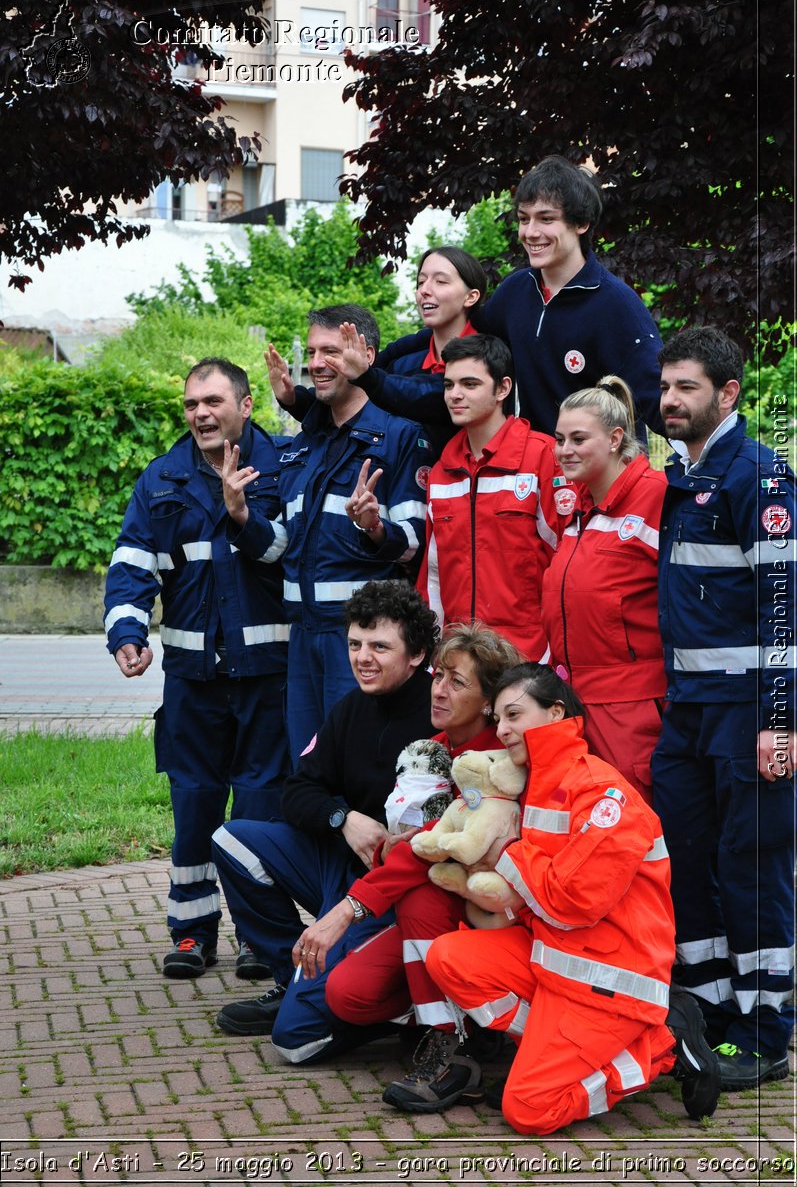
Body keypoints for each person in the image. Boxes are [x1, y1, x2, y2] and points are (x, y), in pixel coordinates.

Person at [424, 664, 721, 1132]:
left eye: (514, 715)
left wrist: (504, 853)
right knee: (448, 957)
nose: (501, 730)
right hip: (558, 959)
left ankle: (658, 1047)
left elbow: (574, 899)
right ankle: (561, 1049)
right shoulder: (533, 782)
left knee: (528, 1110)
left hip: (612, 976)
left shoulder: (600, 790)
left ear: (556, 712)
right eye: (497, 718)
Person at [103, 358, 290, 980]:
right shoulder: (162, 480)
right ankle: (191, 932)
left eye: (213, 401)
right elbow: (131, 568)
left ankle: (262, 939)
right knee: (194, 806)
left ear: (245, 406)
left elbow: (282, 552)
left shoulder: (286, 466)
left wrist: (243, 514)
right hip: (192, 680)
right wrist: (126, 632)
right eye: (191, 405)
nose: (202, 414)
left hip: (267, 674)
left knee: (260, 812)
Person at [210, 580, 438, 1064]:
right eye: (355, 644)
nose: (362, 657)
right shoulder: (350, 707)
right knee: (231, 838)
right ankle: (288, 972)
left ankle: (396, 1011)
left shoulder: (439, 717)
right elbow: (298, 791)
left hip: (391, 890)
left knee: (297, 1042)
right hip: (337, 865)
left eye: (380, 646)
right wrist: (343, 818)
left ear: (416, 654)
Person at [653, 326, 796, 1091]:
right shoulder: (682, 473)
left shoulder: (757, 477)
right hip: (687, 711)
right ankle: (708, 1015)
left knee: (754, 866)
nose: (669, 400)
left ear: (727, 395)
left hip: (746, 712)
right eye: (665, 385)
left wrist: (780, 720)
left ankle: (766, 1030)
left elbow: (784, 609)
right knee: (686, 861)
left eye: (686, 388)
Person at [315, 624, 522, 1109]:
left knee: (422, 890)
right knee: (348, 995)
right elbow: (410, 843)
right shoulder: (431, 748)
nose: (439, 689)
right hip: (443, 912)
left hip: (497, 919)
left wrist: (347, 909)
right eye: (438, 675)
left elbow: (430, 852)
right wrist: (397, 847)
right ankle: (468, 1020)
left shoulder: (498, 760)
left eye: (457, 681)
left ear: (490, 700)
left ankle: (451, 1050)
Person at [266, 305, 432, 764]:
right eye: (313, 352)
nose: (317, 363)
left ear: (366, 356)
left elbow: (416, 538)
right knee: (308, 768)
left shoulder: (400, 435)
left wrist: (376, 528)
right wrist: (240, 517)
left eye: (332, 352)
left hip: (362, 640)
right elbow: (286, 539)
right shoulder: (306, 441)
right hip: (302, 637)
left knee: (360, 771)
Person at [541, 376, 667, 800]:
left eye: (578, 438)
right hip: (575, 704)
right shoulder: (579, 507)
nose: (564, 450)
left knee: (633, 835)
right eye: (559, 439)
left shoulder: (656, 498)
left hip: (631, 709)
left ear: (616, 439)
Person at [477, 154, 663, 438]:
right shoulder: (514, 292)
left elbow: (661, 404)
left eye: (546, 219)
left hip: (602, 476)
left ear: (581, 223)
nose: (530, 232)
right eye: (524, 219)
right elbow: (465, 345)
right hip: (531, 473)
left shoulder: (617, 305)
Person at [417, 333, 573, 660]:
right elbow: (431, 577)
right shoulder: (442, 472)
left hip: (529, 658)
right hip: (458, 658)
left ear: (503, 388)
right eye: (449, 385)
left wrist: (555, 657)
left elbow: (570, 564)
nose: (455, 395)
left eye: (469, 384)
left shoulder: (543, 457)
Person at [271, 247, 487, 456]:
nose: (425, 290)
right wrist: (294, 399)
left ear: (471, 296)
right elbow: (354, 400)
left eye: (440, 281)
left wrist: (369, 378)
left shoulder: (489, 355)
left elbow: (428, 396)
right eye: (421, 282)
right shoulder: (406, 359)